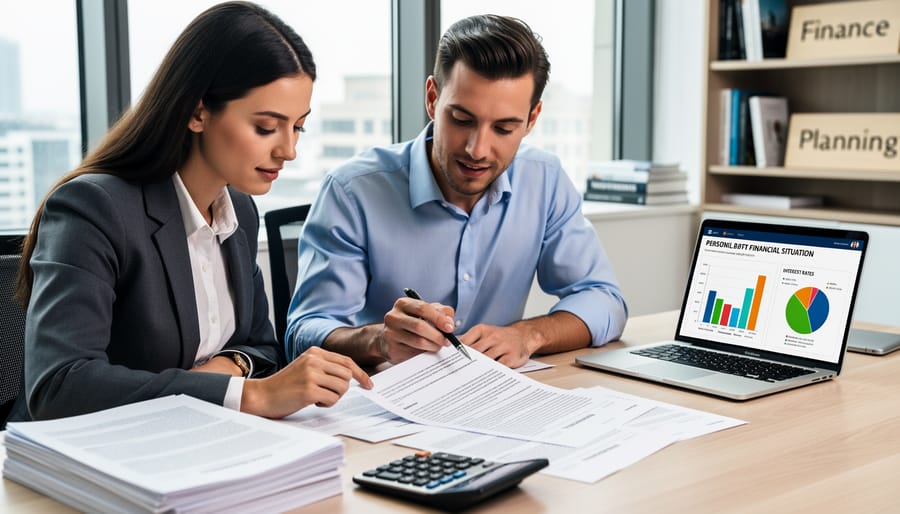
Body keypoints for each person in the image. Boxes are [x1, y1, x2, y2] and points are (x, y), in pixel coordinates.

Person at [9, 1, 372, 424]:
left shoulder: (238, 211)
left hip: (199, 446)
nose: (288, 150)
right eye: (266, 127)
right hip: (91, 462)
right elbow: (60, 387)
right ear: (197, 112)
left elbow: (263, 348)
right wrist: (245, 396)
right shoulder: (93, 209)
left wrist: (230, 370)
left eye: (298, 127)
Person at [285, 14, 628, 369]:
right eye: (462, 120)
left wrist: (527, 335)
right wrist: (379, 340)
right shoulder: (352, 191)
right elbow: (303, 332)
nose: (477, 149)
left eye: (504, 128)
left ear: (532, 118)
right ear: (433, 99)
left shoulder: (545, 179)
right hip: (377, 405)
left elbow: (604, 300)